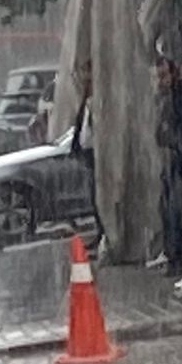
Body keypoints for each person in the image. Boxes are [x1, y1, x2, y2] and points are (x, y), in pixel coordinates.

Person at [151, 56, 182, 278]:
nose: (160, 81)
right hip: (169, 164)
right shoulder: (161, 99)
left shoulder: (181, 97)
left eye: (163, 76)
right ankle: (175, 256)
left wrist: (179, 145)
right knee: (169, 211)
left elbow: (180, 130)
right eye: (157, 77)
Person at [67, 66, 105, 244]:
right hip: (86, 152)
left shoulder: (98, 102)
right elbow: (80, 125)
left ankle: (103, 230)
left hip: (96, 152)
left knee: (98, 193)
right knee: (93, 195)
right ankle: (99, 229)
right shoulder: (85, 102)